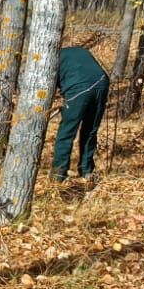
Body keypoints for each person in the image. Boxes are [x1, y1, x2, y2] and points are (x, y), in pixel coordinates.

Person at [53, 45, 111, 184]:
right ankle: (87, 172)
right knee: (90, 131)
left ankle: (58, 177)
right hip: (102, 83)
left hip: (78, 87)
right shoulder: (79, 51)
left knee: (66, 133)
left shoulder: (51, 59)